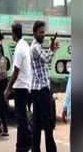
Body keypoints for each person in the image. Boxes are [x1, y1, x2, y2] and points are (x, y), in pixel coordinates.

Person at [30, 21, 59, 152]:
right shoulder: (35, 47)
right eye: (41, 33)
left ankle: (36, 149)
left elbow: (45, 57)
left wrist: (51, 48)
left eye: (44, 32)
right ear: (34, 33)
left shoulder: (37, 46)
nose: (43, 35)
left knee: (36, 123)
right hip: (41, 90)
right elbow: (46, 59)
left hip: (38, 89)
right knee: (47, 123)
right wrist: (53, 50)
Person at [4, 23, 32, 152]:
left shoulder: (19, 49)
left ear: (14, 34)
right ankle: (27, 144)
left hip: (20, 87)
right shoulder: (25, 45)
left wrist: (7, 89)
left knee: (21, 119)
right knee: (24, 118)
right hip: (27, 85)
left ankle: (21, 147)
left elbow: (15, 72)